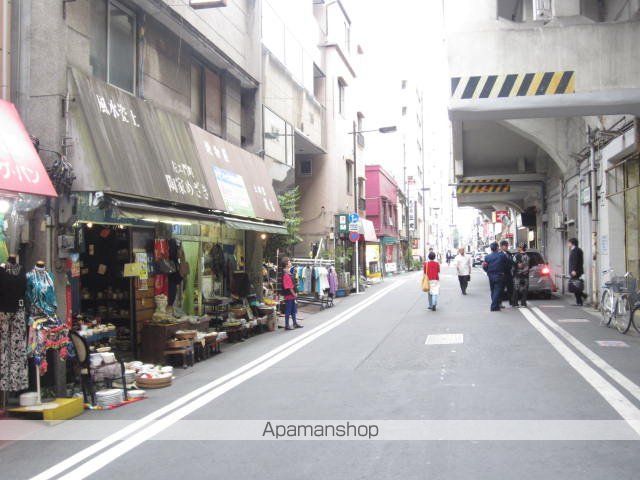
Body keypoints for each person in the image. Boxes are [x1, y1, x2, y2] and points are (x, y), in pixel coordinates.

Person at [483, 242, 510, 312]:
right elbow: (507, 265)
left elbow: (484, 266)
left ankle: (496, 305)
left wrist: (488, 272)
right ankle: (494, 306)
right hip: (499, 275)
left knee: (493, 290)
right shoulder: (502, 256)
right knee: (498, 290)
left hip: (491, 275)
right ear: (497, 248)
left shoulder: (487, 257)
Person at [280, 257, 302, 330]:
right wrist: (294, 294)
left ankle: (295, 323)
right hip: (289, 294)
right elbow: (289, 286)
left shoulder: (288, 272)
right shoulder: (285, 274)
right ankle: (287, 325)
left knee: (293, 309)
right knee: (288, 310)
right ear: (286, 264)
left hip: (291, 294)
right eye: (289, 262)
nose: (290, 262)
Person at [568, 238, 587, 306]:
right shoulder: (577, 250)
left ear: (572, 243)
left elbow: (575, 261)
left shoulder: (575, 251)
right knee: (575, 285)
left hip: (575, 271)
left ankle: (580, 301)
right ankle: (582, 298)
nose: (568, 244)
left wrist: (574, 270)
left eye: (569, 243)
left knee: (575, 286)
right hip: (576, 270)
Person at [512, 242, 530, 307]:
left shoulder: (516, 256)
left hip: (517, 275)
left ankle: (515, 303)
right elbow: (528, 266)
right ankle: (523, 303)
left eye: (518, 247)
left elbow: (513, 265)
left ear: (520, 248)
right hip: (525, 275)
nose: (517, 248)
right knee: (525, 290)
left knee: (516, 289)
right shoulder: (527, 256)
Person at [500, 240, 514, 307]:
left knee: (510, 288)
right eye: (505, 246)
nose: (506, 247)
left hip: (508, 273)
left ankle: (512, 302)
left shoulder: (509, 253)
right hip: (502, 274)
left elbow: (512, 262)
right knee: (501, 289)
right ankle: (500, 303)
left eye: (507, 245)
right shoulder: (499, 254)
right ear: (501, 246)